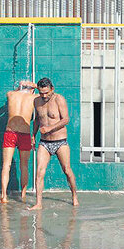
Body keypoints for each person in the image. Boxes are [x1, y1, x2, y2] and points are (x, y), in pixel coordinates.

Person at [28, 78, 79, 210]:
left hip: (60, 141)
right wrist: (33, 135)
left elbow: (66, 119)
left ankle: (74, 196)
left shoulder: (58, 99)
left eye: (46, 93)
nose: (44, 96)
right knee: (39, 172)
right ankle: (38, 203)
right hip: (44, 142)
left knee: (67, 170)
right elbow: (37, 119)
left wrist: (49, 129)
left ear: (52, 89)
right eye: (41, 93)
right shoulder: (36, 101)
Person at [0, 80, 38, 203]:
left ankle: (4, 196)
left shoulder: (11, 94)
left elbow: (12, 93)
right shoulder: (34, 97)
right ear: (32, 89)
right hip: (25, 133)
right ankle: (23, 195)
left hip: (10, 132)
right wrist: (35, 86)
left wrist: (20, 87)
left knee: (6, 165)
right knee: (24, 166)